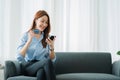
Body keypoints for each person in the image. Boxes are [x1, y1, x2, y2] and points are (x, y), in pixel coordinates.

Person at [16, 10, 56, 80]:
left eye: (46, 22)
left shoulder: (46, 37)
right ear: (36, 20)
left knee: (41, 73)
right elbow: (19, 57)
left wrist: (52, 47)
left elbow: (52, 60)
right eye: (42, 21)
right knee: (46, 62)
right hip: (29, 67)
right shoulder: (26, 35)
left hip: (42, 65)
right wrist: (29, 41)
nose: (44, 24)